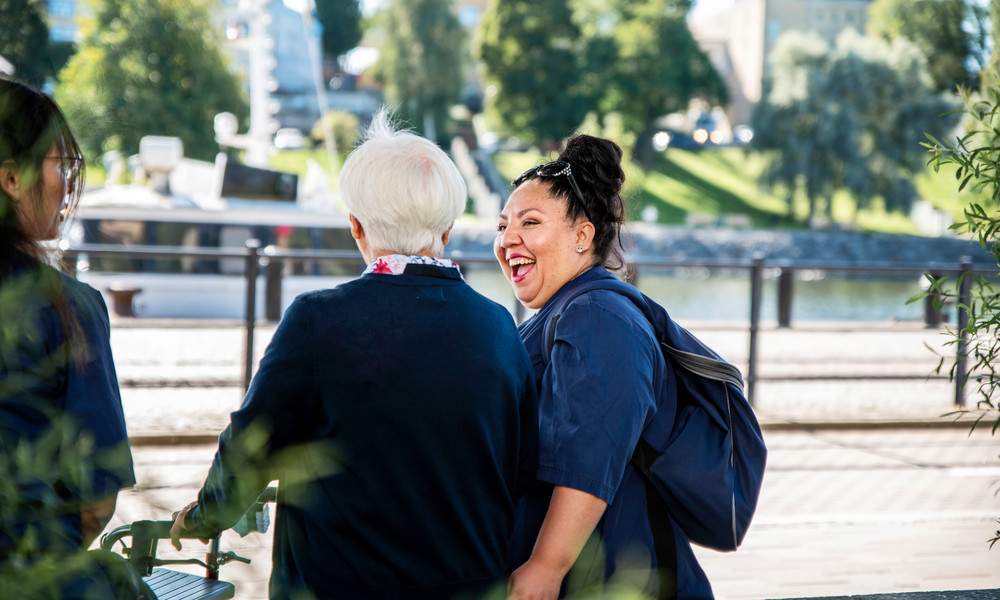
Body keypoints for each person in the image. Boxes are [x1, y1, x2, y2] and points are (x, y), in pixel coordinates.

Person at [170, 109, 539, 600]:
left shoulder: (317, 320)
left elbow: (251, 447)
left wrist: (203, 516)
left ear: (356, 228)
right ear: (447, 229)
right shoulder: (499, 325)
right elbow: (522, 470)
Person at [496, 134, 713, 599]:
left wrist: (545, 568)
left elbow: (590, 459)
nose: (507, 239)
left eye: (529, 222)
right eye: (503, 225)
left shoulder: (596, 316)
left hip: (615, 581)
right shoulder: (569, 310)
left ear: (583, 235)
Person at [0, 78, 138, 598]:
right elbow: (95, 498)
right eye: (61, 164)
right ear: (12, 178)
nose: (67, 184)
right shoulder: (68, 307)